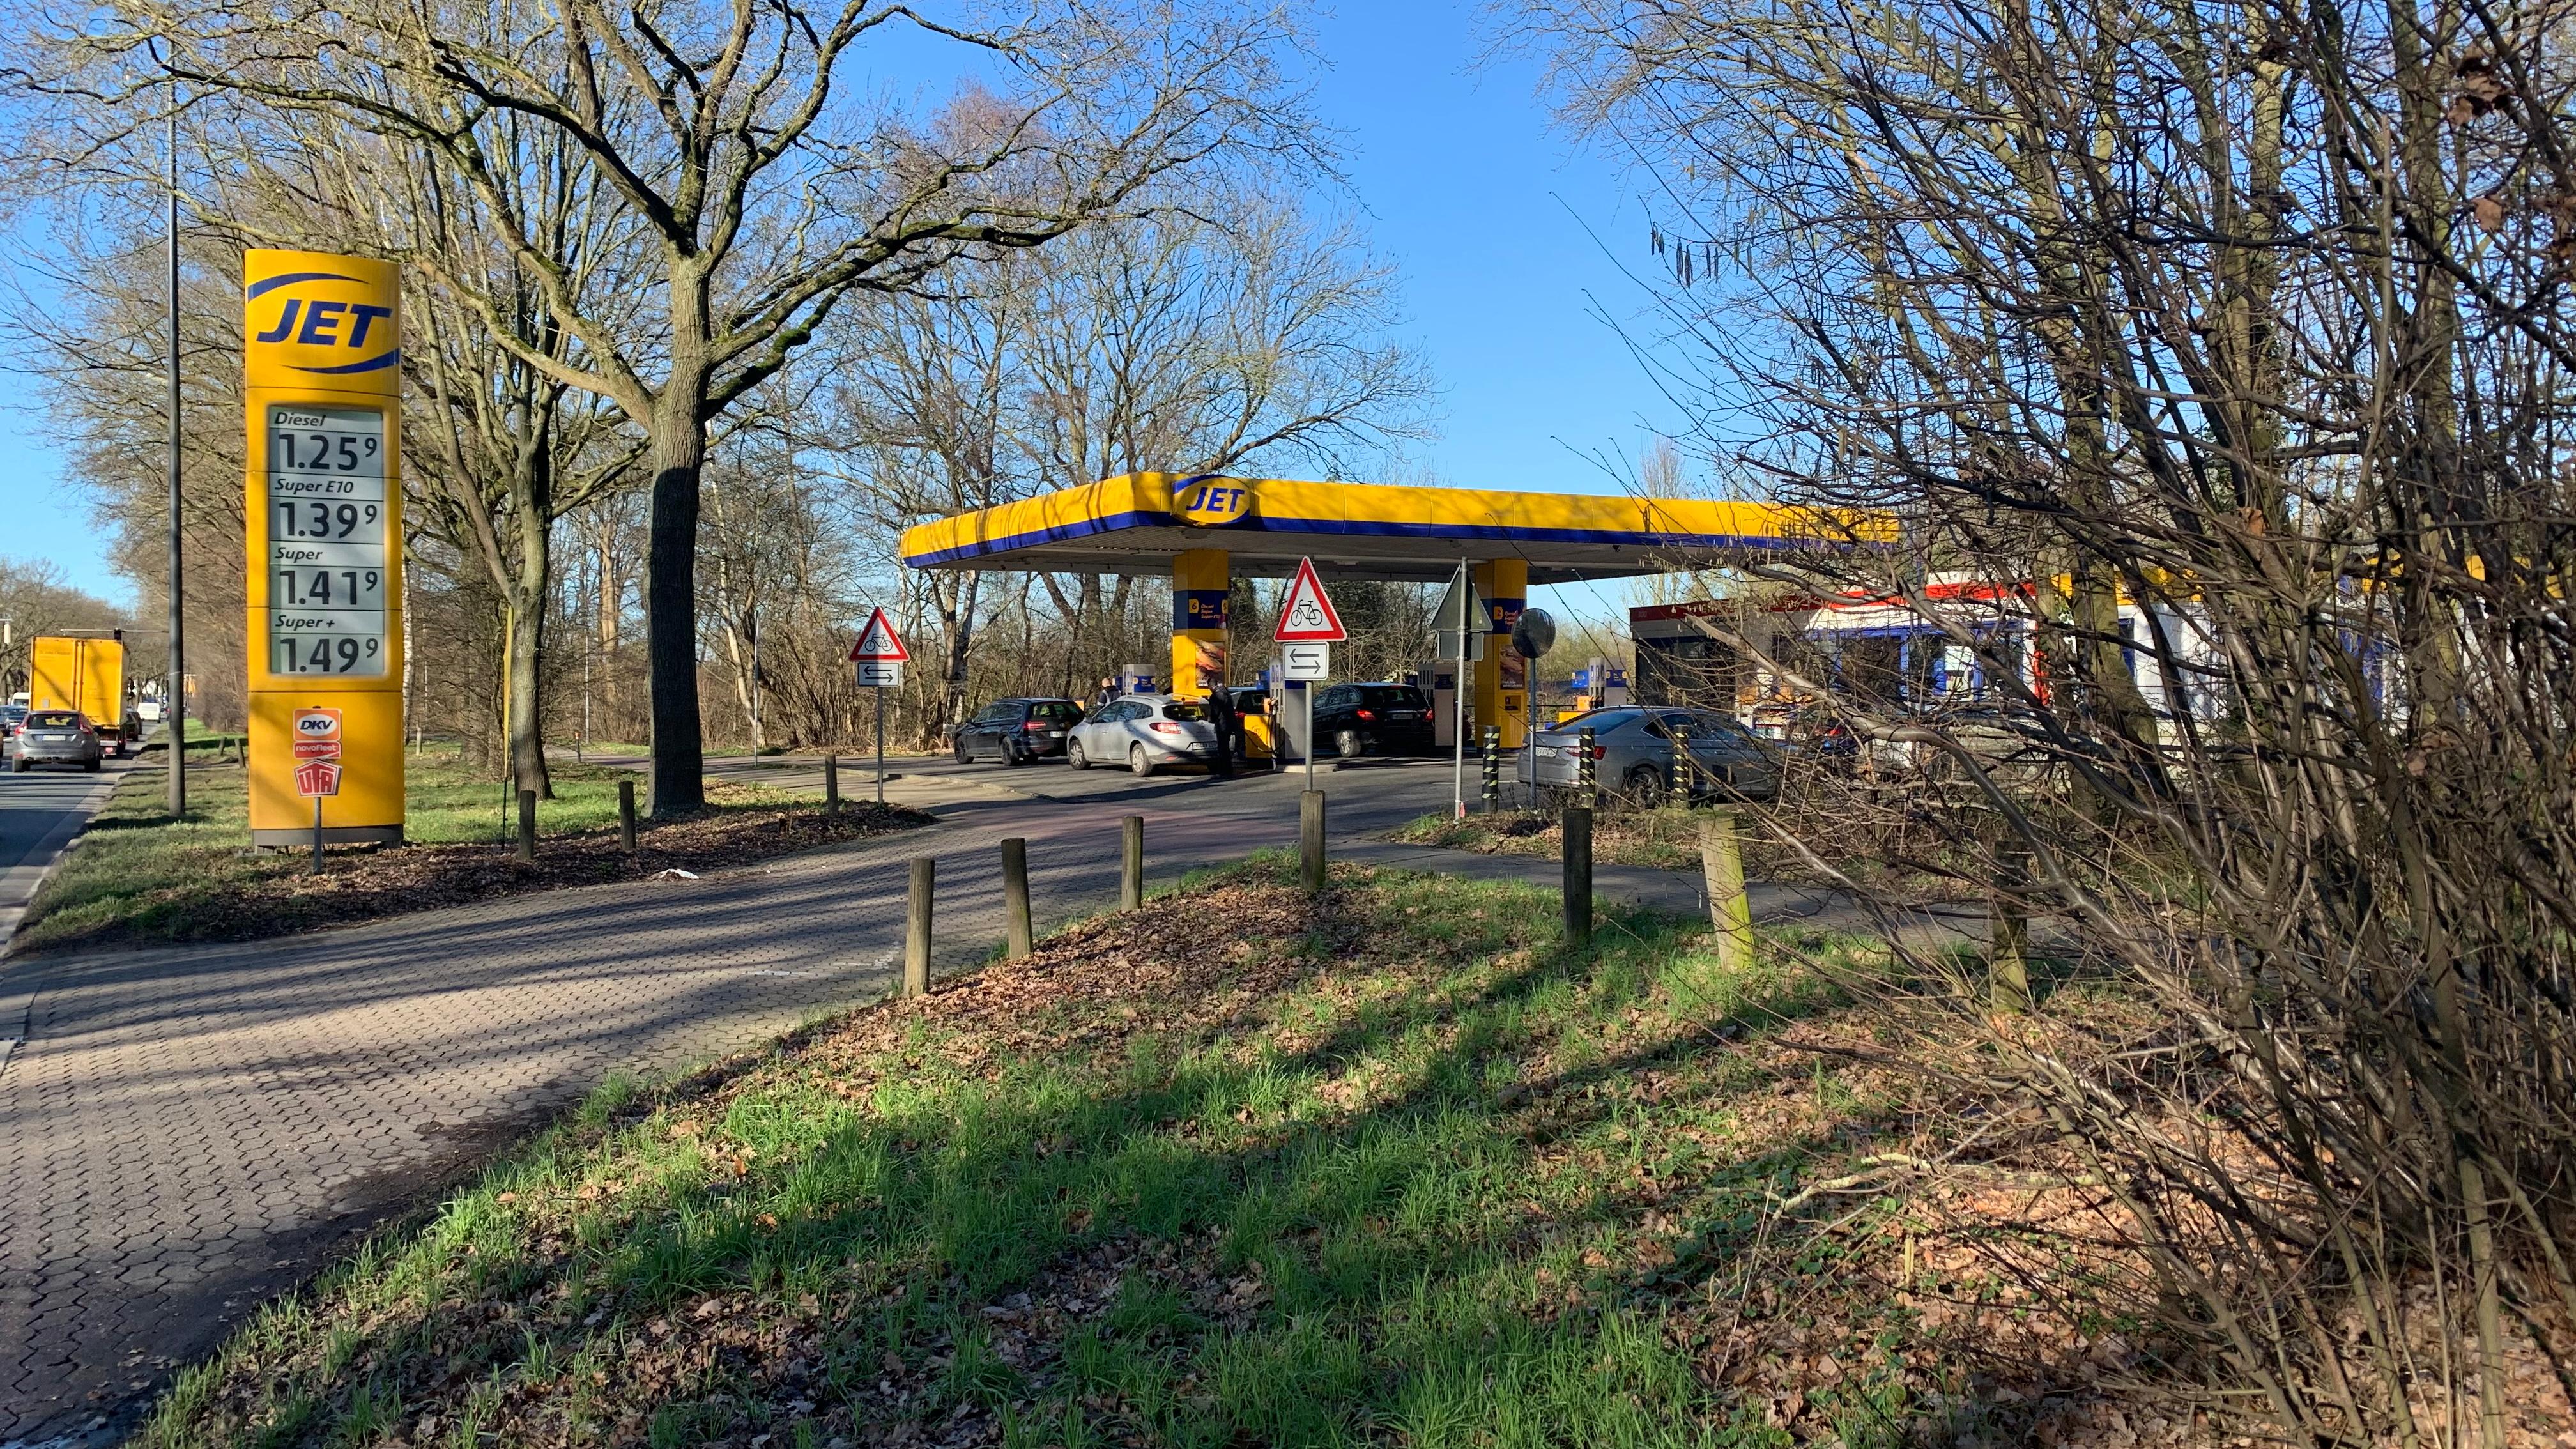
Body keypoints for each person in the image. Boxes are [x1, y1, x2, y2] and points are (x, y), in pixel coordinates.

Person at [1207, 682, 1238, 779]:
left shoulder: (1217, 696)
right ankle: (1228, 770)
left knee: (1222, 749)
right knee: (1226, 749)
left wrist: (1210, 719)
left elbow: (1215, 712)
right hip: (1229, 725)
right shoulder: (1226, 694)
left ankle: (1224, 772)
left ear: (1211, 686)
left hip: (1222, 725)